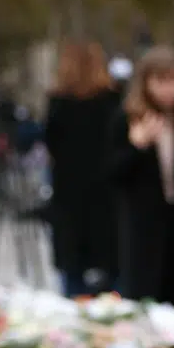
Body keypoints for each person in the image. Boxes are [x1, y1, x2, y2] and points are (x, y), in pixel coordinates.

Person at [108, 45, 174, 309]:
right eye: (161, 81)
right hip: (143, 230)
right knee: (146, 301)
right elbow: (113, 174)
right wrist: (136, 147)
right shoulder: (127, 120)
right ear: (146, 83)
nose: (169, 89)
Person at [45, 41, 121, 297]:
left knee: (72, 282)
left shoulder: (58, 106)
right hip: (106, 205)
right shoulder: (113, 103)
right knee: (111, 286)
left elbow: (50, 149)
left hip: (69, 205)